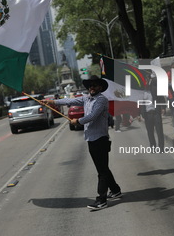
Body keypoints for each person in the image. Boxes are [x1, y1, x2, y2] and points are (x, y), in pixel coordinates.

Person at [43, 75, 121, 210]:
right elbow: (71, 100)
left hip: (100, 139)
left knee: (101, 170)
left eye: (95, 85)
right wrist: (53, 102)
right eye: (90, 85)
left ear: (100, 87)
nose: (92, 88)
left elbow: (93, 116)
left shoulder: (101, 100)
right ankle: (115, 190)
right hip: (91, 138)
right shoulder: (87, 98)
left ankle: (101, 200)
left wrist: (77, 121)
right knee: (102, 168)